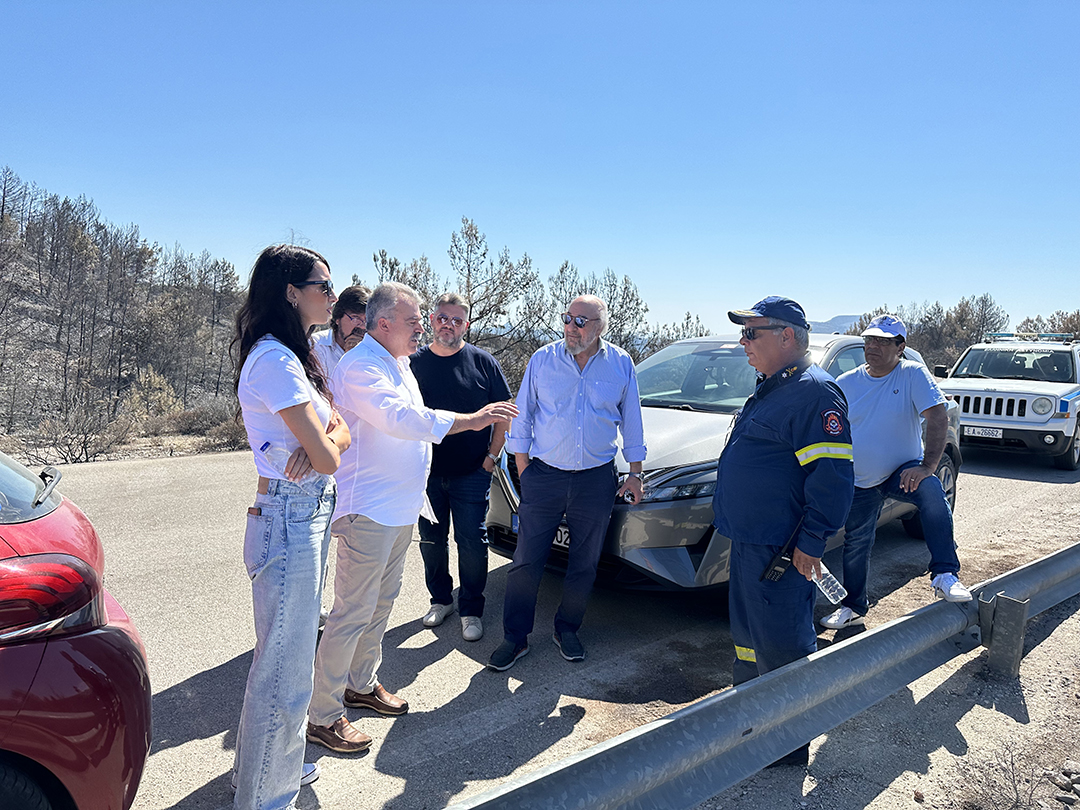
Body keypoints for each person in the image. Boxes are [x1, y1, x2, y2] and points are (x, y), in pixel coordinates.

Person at [306, 282, 517, 752]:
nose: (423, 324)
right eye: (415, 318)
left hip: (400, 507)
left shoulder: (398, 362)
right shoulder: (362, 366)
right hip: (369, 511)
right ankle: (323, 714)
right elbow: (400, 419)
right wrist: (470, 419)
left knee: (380, 605)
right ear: (384, 324)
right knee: (352, 612)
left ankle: (359, 685)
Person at [231, 245, 352, 809]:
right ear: (290, 292)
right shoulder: (275, 361)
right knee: (282, 664)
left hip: (302, 512)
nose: (332, 295)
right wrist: (325, 443)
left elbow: (339, 433)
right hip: (288, 516)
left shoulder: (297, 355)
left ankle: (273, 771)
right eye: (323, 286)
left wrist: (327, 438)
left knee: (291, 657)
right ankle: (263, 796)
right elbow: (328, 456)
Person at [713, 296, 853, 768]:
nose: (743, 342)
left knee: (783, 644)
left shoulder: (814, 392)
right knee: (749, 641)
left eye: (752, 333)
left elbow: (832, 478)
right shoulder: (774, 387)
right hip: (751, 542)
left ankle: (786, 743)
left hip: (782, 550)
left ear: (786, 336)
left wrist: (811, 542)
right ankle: (750, 719)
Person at [489, 295, 646, 672]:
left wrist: (637, 473)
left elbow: (633, 421)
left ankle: (567, 628)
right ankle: (515, 638)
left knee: (584, 563)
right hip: (544, 475)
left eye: (582, 321)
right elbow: (522, 414)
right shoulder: (543, 359)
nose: (572, 327)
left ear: (600, 327)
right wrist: (524, 466)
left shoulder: (621, 363)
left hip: (595, 479)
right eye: (567, 319)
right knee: (527, 560)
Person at [821, 314, 971, 631]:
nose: (873, 346)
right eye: (869, 340)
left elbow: (938, 418)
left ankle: (945, 574)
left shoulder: (912, 374)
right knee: (856, 543)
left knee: (931, 492)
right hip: (860, 479)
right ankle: (852, 606)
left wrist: (927, 467)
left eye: (883, 342)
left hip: (903, 471)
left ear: (900, 347)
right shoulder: (846, 382)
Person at [411, 292, 512, 642]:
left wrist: (492, 458)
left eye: (456, 320)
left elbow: (504, 414)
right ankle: (441, 600)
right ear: (432, 320)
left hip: (472, 472)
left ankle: (471, 608)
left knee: (471, 543)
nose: (448, 325)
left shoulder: (483, 363)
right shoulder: (412, 364)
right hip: (425, 474)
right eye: (442, 317)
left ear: (466, 325)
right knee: (431, 542)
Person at [312, 285, 370, 377]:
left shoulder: (374, 348)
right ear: (338, 318)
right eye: (355, 318)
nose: (363, 327)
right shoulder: (316, 346)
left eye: (367, 320)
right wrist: (349, 359)